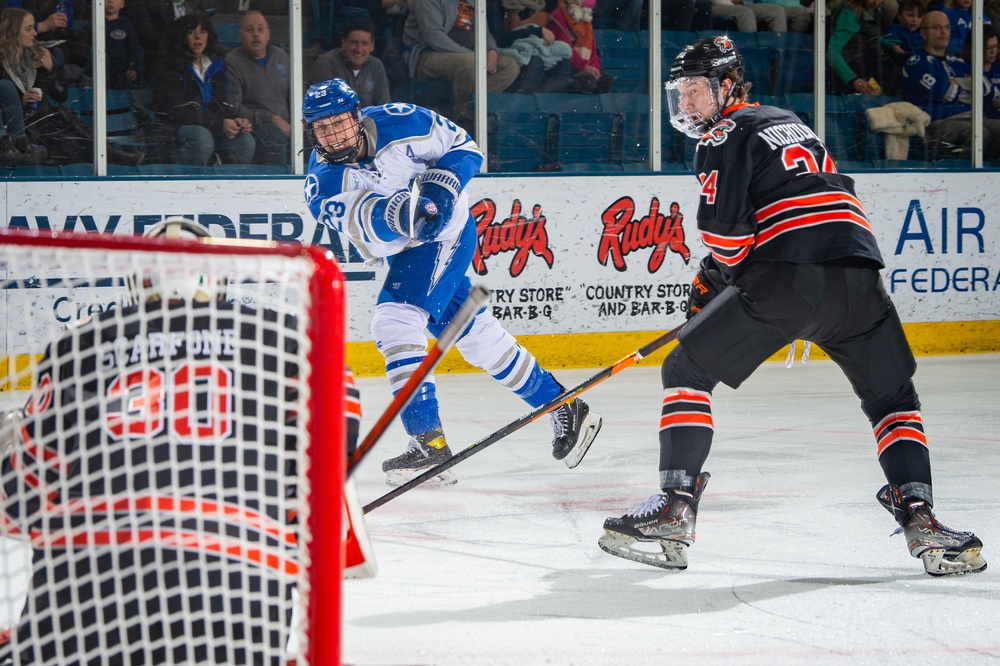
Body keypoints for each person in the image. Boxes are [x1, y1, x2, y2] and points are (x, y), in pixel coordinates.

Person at [598, 36, 986, 578]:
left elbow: (729, 242)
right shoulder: (789, 121)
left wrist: (714, 278)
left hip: (791, 281)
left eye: (695, 92)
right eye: (680, 93)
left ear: (727, 87)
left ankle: (675, 508)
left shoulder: (722, 134)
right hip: (858, 276)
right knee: (893, 396)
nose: (686, 105)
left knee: (685, 369)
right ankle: (920, 515)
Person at [0, 218, 312, 664]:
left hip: (82, 598)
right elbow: (334, 452)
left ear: (136, 282)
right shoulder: (284, 343)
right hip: (241, 605)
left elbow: (17, 506)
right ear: (219, 280)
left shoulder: (79, 348)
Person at [301, 79, 603, 486]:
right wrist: (397, 212)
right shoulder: (323, 186)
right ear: (311, 132)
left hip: (449, 233)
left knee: (395, 322)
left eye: (339, 121)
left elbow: (463, 148)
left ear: (356, 114)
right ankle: (563, 405)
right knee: (479, 338)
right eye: (322, 128)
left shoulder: (401, 120)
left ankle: (428, 441)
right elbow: (372, 229)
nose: (333, 134)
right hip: (407, 249)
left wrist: (442, 186)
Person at [153, 13, 255, 166]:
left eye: (203, 31)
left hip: (209, 125)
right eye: (190, 32)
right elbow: (176, 112)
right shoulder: (170, 67)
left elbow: (220, 103)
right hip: (176, 128)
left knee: (245, 141)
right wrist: (220, 123)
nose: (197, 37)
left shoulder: (216, 65)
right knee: (202, 138)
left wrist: (235, 121)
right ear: (181, 36)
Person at [402, 0, 520, 130]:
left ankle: (465, 109)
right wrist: (475, 56)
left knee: (510, 66)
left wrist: (492, 51)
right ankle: (464, 122)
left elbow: (484, 33)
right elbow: (433, 36)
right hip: (429, 54)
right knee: (469, 64)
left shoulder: (475, 1)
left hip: (471, 55)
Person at [901, 10, 1000, 157]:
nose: (943, 32)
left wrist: (957, 83)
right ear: (923, 33)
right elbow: (945, 92)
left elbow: (986, 89)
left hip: (970, 118)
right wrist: (969, 87)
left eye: (947, 27)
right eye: (937, 27)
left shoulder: (957, 62)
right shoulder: (916, 63)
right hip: (936, 124)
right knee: (978, 134)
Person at [224, 10, 292, 166]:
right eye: (250, 30)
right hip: (256, 125)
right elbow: (233, 106)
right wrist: (271, 119)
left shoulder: (281, 56)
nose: (256, 34)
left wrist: (302, 121)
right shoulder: (232, 61)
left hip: (288, 124)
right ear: (240, 36)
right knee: (273, 137)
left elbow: (297, 93)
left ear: (268, 34)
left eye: (260, 29)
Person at [0, 7, 50, 165]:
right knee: (5, 85)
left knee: (6, 86)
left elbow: (59, 96)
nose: (35, 34)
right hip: (23, 122)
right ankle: (7, 147)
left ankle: (21, 145)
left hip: (32, 120)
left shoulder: (34, 59)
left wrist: (51, 69)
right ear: (12, 32)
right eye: (29, 29)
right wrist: (20, 102)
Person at [306, 16, 391, 107]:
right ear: (344, 42)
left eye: (364, 43)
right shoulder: (327, 63)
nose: (359, 49)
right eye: (354, 43)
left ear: (372, 46)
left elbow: (384, 107)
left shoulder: (376, 66)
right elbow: (323, 108)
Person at [827, 0, 900, 95]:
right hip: (848, 73)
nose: (877, 3)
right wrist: (854, 80)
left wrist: (891, 46)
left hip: (866, 67)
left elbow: (872, 38)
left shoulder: (874, 11)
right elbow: (832, 51)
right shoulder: (849, 16)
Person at [123, 0, 206, 80]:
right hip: (159, 56)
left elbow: (205, 26)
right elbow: (146, 32)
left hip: (190, 53)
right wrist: (179, 43)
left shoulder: (193, 3)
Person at [547, 0, 612, 94]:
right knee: (588, 80)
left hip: (584, 67)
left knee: (604, 80)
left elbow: (592, 49)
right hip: (568, 68)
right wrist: (584, 67)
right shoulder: (558, 17)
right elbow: (565, 50)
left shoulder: (585, 20)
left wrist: (595, 69)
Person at [105, 0, 142, 89]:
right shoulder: (92, 25)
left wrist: (133, 68)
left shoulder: (127, 26)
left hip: (121, 73)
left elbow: (134, 50)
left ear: (122, 4)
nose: (110, 1)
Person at [708, 0, 787, 33]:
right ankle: (750, 53)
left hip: (739, 4)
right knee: (745, 13)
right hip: (712, 5)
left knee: (776, 11)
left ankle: (778, 54)